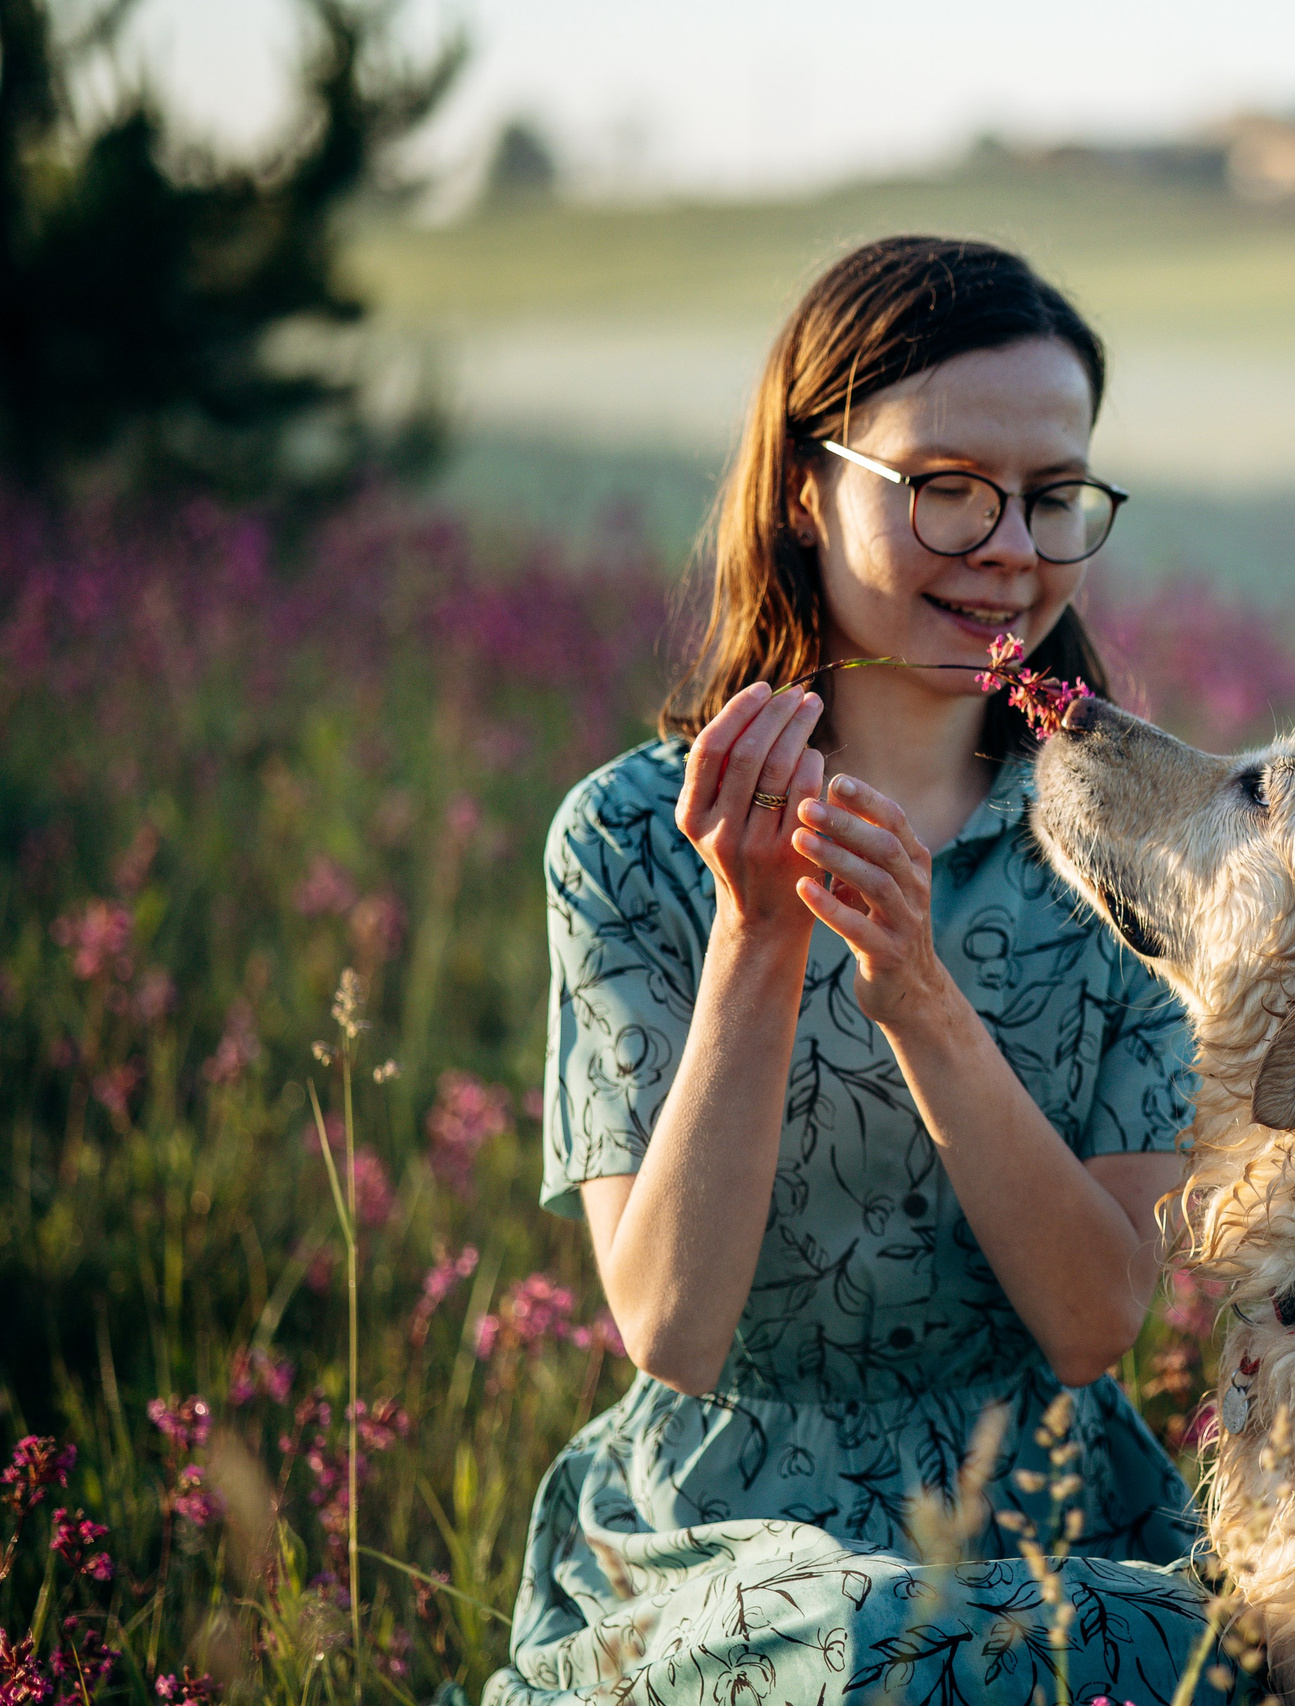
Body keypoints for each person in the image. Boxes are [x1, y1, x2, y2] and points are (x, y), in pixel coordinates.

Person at [487, 237, 1231, 1706]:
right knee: (883, 1649)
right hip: (723, 1529)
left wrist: (926, 1004)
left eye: (1053, 495)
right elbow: (673, 1327)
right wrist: (760, 939)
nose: (1011, 545)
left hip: (1057, 1517)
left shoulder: (1144, 851)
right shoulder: (632, 837)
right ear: (803, 491)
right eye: (946, 486)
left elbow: (1094, 1324)